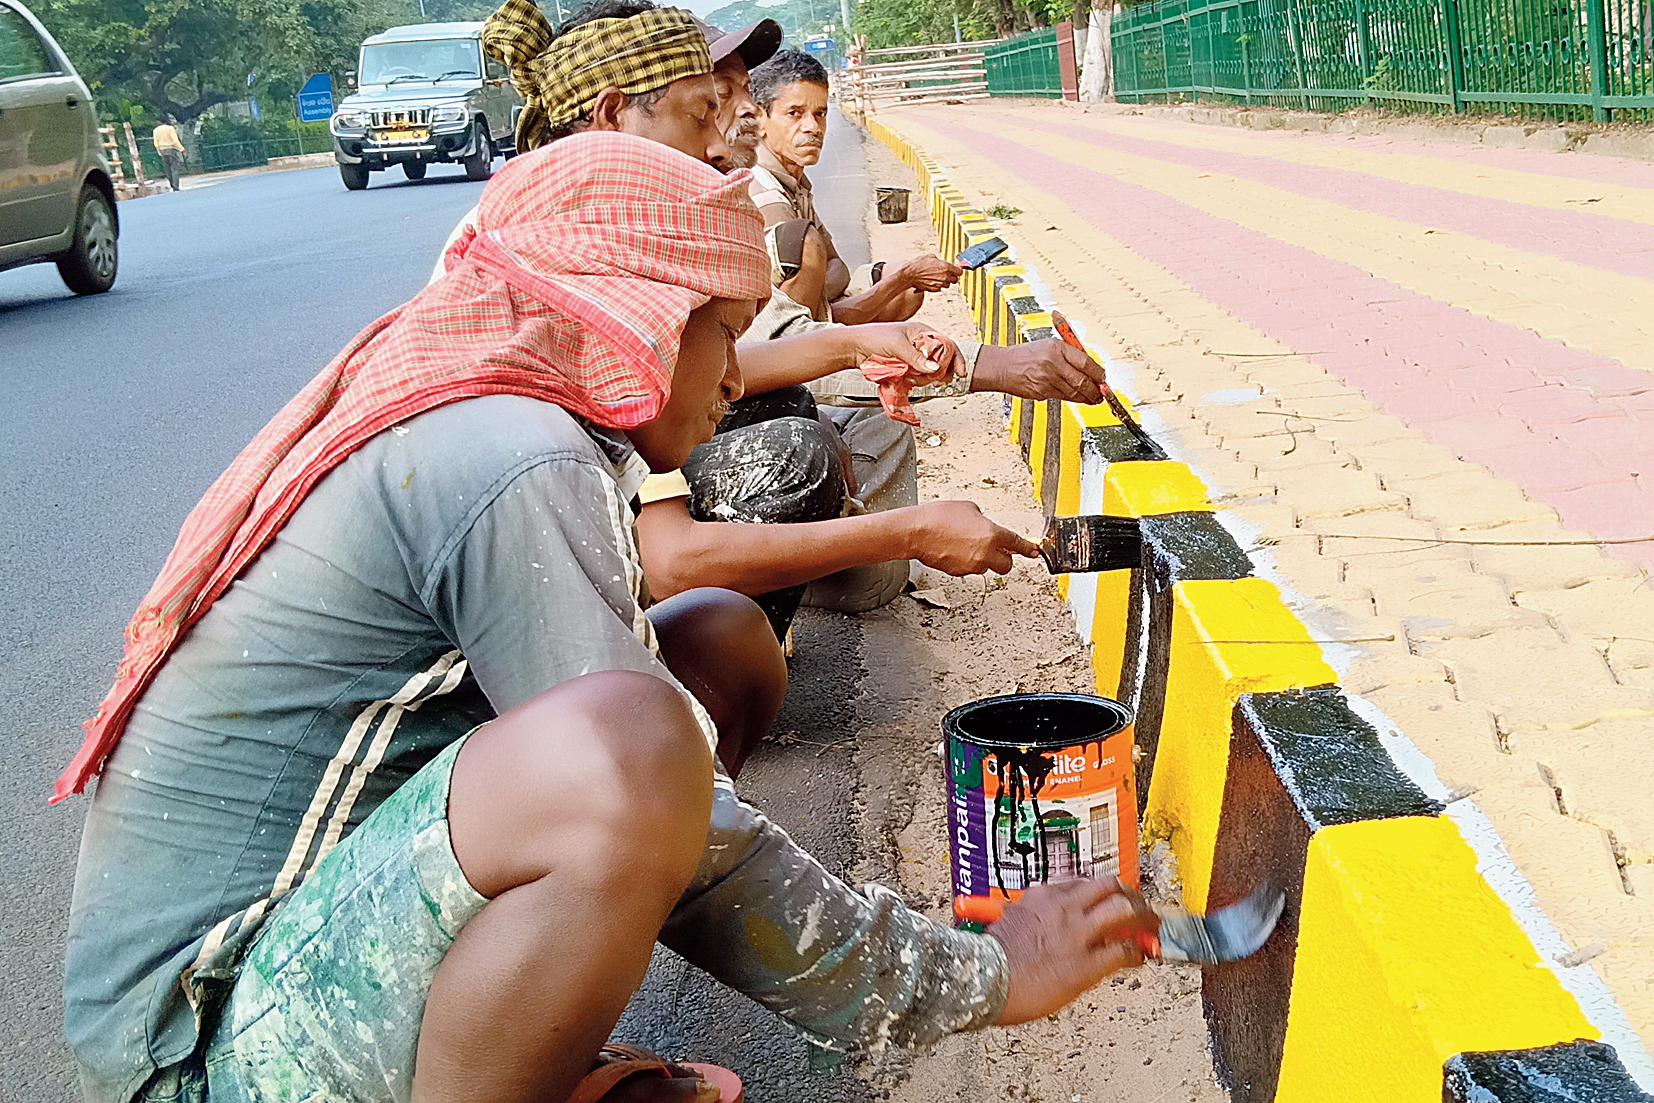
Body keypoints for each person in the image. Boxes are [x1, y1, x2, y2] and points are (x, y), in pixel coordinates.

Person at [62, 130, 1151, 1103]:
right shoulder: (512, 458)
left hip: (296, 949)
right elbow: (659, 796)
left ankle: (526, 1034)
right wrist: (975, 974)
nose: (735, 374)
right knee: (628, 748)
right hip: (202, 1045)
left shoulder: (500, 417)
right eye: (717, 334)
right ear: (634, 322)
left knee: (705, 647)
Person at [462, 0, 1111, 637]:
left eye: (735, 100)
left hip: (588, 528)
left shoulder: (606, 227)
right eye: (707, 107)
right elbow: (669, 547)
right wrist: (909, 526)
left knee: (807, 422)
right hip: (544, 588)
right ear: (610, 116)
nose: (725, 136)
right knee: (795, 460)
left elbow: (743, 357)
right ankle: (701, 650)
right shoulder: (582, 257)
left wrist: (863, 339)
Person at [748, 49, 963, 325]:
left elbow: (838, 266)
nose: (812, 127)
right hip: (772, 336)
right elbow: (796, 316)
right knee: (901, 282)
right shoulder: (765, 193)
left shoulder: (795, 181)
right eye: (794, 113)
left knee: (908, 292)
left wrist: (818, 292)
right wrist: (903, 276)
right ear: (759, 120)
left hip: (809, 310)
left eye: (820, 113)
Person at [152, 115, 186, 191]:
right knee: (175, 168)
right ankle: (175, 185)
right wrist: (182, 150)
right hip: (171, 149)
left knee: (167, 168)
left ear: (160, 122)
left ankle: (171, 183)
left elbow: (156, 143)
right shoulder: (170, 128)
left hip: (162, 150)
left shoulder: (156, 130)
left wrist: (159, 152)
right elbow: (175, 141)